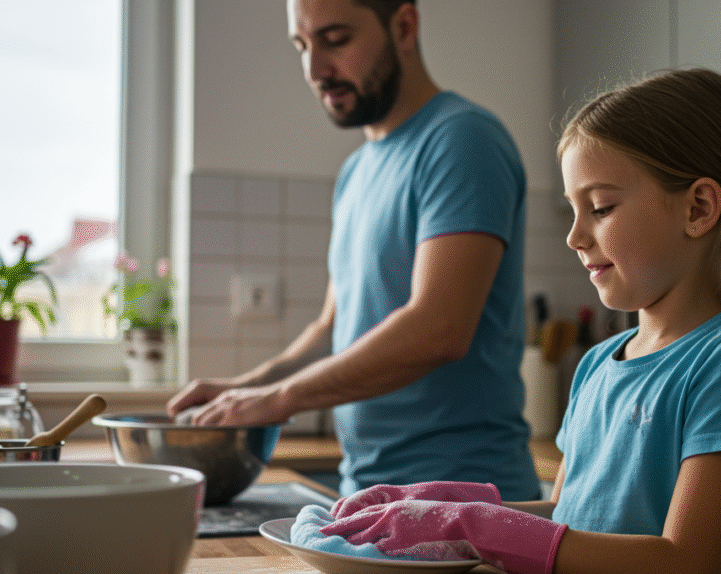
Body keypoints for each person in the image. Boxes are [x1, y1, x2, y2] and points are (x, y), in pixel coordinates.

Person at [308, 68, 721, 574]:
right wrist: (452, 516)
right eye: (574, 210)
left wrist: (484, 529)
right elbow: (574, 526)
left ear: (700, 207)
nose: (577, 237)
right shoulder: (599, 365)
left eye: (601, 207)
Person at [166, 0, 540, 501]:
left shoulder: (461, 140)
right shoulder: (356, 172)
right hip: (366, 496)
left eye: (336, 39)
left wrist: (278, 399)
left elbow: (439, 328)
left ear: (403, 26)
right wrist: (245, 388)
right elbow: (332, 330)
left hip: (463, 501)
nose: (316, 69)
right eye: (303, 45)